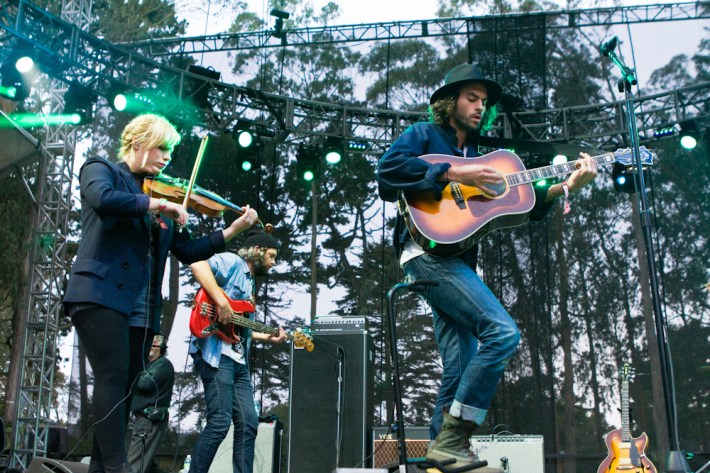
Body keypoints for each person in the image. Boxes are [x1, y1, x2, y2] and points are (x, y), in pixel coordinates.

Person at [376, 64, 598, 470]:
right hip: (427, 256)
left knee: (461, 365)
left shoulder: (485, 157)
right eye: (472, 98)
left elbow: (524, 203)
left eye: (484, 102)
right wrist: (454, 171)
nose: (480, 107)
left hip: (456, 262)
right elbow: (387, 172)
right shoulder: (424, 136)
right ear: (451, 102)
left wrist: (567, 186)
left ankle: (443, 456)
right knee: (502, 333)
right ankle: (455, 440)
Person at [63, 113, 259, 473]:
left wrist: (232, 230)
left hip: (140, 305)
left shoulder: (159, 194)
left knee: (125, 387)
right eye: (162, 148)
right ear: (139, 143)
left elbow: (189, 251)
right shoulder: (101, 170)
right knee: (111, 376)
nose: (167, 157)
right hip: (99, 294)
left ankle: (101, 468)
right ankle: (119, 467)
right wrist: (157, 205)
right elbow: (103, 199)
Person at [188, 229, 287, 473]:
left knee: (248, 422)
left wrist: (268, 336)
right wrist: (222, 302)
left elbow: (237, 327)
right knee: (220, 422)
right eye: (271, 256)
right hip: (217, 355)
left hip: (237, 360)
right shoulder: (232, 262)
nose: (273, 262)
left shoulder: (250, 283)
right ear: (257, 251)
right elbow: (198, 265)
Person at [126, 335, 174, 473]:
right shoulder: (148, 365)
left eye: (154, 345)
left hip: (149, 419)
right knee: (147, 465)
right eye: (149, 344)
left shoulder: (163, 364)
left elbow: (146, 383)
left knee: (134, 464)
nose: (150, 347)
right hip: (143, 419)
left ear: (162, 348)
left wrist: (132, 368)